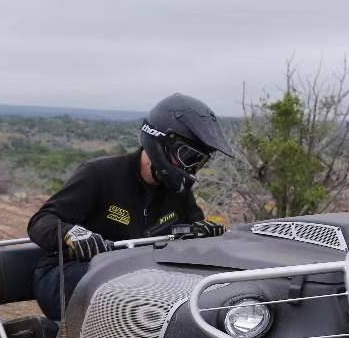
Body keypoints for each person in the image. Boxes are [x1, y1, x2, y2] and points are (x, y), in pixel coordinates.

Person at [27, 92, 233, 319]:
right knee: (138, 292)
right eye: (187, 156)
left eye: (198, 162)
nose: (191, 168)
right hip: (67, 274)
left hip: (137, 274)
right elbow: (41, 221)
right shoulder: (99, 174)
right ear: (161, 142)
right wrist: (71, 234)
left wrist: (201, 233)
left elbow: (186, 231)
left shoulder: (178, 191)